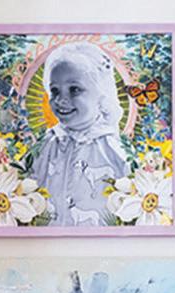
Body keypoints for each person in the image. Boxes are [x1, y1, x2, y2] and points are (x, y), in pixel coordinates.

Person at [32, 42, 129, 226]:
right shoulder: (48, 143)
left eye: (74, 90)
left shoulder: (110, 147)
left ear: (101, 93)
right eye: (54, 91)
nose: (61, 100)